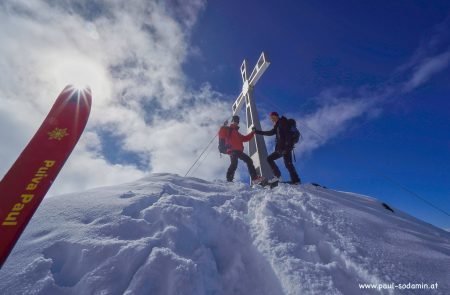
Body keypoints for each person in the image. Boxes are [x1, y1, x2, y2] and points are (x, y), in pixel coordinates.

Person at [254, 112, 301, 184]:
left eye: (273, 117)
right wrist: (257, 132)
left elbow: (287, 134)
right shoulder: (278, 126)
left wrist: (286, 145)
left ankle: (278, 176)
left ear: (276, 116)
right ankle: (296, 180)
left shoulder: (282, 123)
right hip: (286, 148)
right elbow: (270, 133)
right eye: (271, 118)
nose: (272, 119)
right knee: (288, 164)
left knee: (270, 158)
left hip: (284, 147)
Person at [221, 115, 263, 185]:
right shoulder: (228, 129)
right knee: (234, 163)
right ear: (232, 121)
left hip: (239, 151)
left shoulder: (237, 133)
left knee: (249, 160)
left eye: (237, 121)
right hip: (232, 150)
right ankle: (229, 179)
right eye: (235, 121)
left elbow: (245, 138)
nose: (236, 122)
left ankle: (254, 178)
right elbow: (222, 133)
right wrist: (223, 126)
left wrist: (253, 132)